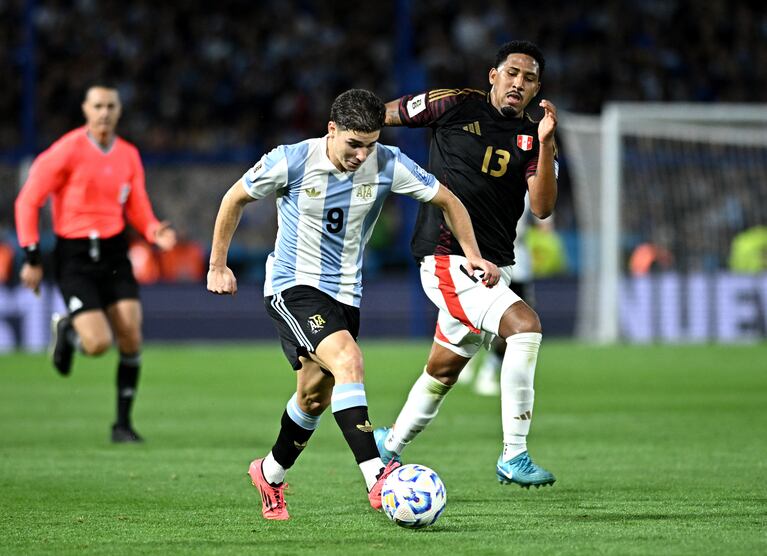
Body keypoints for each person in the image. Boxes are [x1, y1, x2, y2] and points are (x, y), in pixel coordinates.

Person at [206, 89, 499, 520]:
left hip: (347, 294)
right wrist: (218, 265)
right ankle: (377, 476)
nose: (362, 154)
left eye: (370, 144)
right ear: (331, 130)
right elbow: (234, 198)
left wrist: (472, 254)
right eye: (353, 144)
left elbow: (447, 199)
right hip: (293, 286)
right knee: (348, 359)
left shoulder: (388, 163)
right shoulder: (291, 160)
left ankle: (269, 473)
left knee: (313, 397)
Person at [374, 40, 559, 488]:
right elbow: (380, 115)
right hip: (448, 258)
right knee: (526, 326)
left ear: (537, 89)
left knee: (442, 370)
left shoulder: (534, 136)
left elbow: (543, 207)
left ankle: (388, 446)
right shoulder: (454, 104)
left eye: (529, 78)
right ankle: (514, 454)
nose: (519, 83)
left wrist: (548, 144)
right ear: (493, 75)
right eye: (512, 72)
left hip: (496, 267)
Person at [14, 84, 177, 443]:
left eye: (111, 106)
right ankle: (70, 333)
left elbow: (136, 205)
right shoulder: (65, 151)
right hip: (74, 254)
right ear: (86, 110)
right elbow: (28, 201)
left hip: (114, 251)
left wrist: (153, 230)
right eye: (98, 105)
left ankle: (122, 425)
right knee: (99, 343)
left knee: (132, 335)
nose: (104, 112)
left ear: (119, 111)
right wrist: (31, 256)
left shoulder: (128, 155)